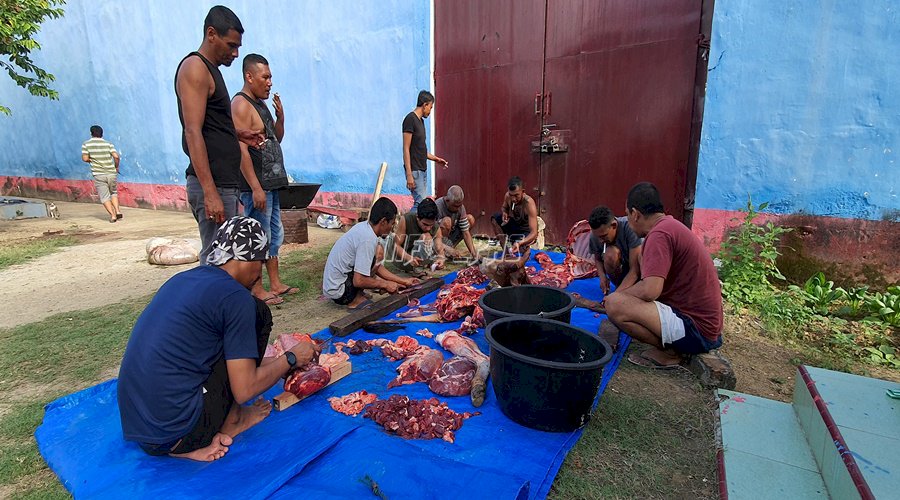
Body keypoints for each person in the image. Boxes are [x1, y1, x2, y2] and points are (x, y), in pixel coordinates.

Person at [118, 217, 319, 462]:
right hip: (177, 433)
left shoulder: (185, 279)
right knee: (260, 312)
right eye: (261, 263)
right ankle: (234, 420)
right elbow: (245, 389)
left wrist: (275, 364)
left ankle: (191, 432)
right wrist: (290, 358)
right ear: (250, 260)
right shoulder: (237, 299)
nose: (259, 274)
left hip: (142, 429)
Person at [175, 5, 264, 265]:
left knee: (231, 258)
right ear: (211, 34)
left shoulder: (212, 71)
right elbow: (193, 131)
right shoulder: (196, 68)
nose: (236, 53)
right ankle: (209, 306)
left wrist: (237, 134)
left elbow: (209, 125)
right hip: (213, 183)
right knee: (217, 257)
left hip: (226, 182)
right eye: (231, 45)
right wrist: (209, 191)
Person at [605, 182, 723, 369]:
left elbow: (650, 290)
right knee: (625, 292)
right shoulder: (669, 226)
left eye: (627, 214)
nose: (627, 219)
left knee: (614, 305)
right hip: (704, 326)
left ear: (635, 214)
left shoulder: (659, 235)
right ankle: (673, 346)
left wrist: (621, 297)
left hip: (697, 330)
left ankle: (671, 352)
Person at [231, 53, 296, 306]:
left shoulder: (261, 104)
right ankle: (256, 288)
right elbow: (241, 149)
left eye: (270, 77)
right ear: (249, 76)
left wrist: (280, 117)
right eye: (265, 77)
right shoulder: (241, 104)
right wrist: (255, 187)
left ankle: (276, 283)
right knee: (258, 236)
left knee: (274, 235)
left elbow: (275, 139)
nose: (270, 82)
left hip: (272, 183)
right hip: (257, 186)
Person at [323, 197, 419, 309]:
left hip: (335, 285)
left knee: (375, 257)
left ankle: (357, 294)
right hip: (339, 291)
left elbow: (376, 267)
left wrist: (403, 281)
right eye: (392, 224)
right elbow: (359, 281)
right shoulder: (367, 239)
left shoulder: (365, 227)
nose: (392, 228)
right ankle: (354, 300)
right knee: (377, 255)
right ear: (383, 222)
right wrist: (385, 284)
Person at [402, 90, 448, 212]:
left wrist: (436, 159)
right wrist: (409, 174)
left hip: (422, 169)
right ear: (425, 105)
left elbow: (420, 149)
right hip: (414, 170)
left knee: (421, 203)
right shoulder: (410, 119)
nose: (430, 111)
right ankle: (405, 226)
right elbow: (406, 148)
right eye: (430, 107)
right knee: (420, 203)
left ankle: (410, 227)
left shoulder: (421, 121)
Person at [588, 205, 643, 296]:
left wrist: (615, 295)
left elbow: (635, 270)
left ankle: (627, 289)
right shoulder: (596, 235)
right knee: (610, 255)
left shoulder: (630, 228)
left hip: (640, 270)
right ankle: (621, 286)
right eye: (598, 237)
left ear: (614, 225)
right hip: (623, 271)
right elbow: (598, 258)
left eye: (604, 236)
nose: (601, 241)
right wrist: (602, 277)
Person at [389, 198, 447, 275]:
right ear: (417, 217)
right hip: (404, 259)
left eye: (431, 225)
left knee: (431, 240)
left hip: (422, 260)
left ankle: (422, 266)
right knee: (425, 237)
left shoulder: (435, 227)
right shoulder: (406, 219)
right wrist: (409, 258)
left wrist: (441, 258)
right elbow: (396, 246)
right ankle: (418, 270)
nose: (428, 228)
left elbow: (439, 249)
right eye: (425, 224)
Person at [81, 125, 122, 223]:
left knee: (104, 196)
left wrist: (93, 160)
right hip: (111, 173)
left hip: (99, 174)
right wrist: (116, 166)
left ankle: (113, 216)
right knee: (113, 192)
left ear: (91, 133)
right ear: (102, 133)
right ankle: (117, 210)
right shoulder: (108, 144)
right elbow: (116, 156)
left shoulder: (86, 144)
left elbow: (85, 158)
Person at [491, 176, 539, 255]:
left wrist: (520, 243)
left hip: (525, 232)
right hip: (515, 226)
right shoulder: (507, 196)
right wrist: (504, 213)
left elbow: (534, 233)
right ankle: (505, 251)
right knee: (494, 218)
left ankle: (519, 245)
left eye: (516, 195)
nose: (513, 199)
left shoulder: (529, 203)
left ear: (523, 192)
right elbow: (504, 207)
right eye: (511, 195)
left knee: (520, 252)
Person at [435, 185, 478, 260]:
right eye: (455, 206)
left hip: (450, 237)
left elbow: (466, 232)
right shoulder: (437, 206)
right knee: (447, 221)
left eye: (459, 206)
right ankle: (443, 251)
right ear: (447, 200)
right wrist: (444, 247)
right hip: (437, 240)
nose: (458, 209)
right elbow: (431, 233)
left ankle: (451, 247)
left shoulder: (460, 207)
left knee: (470, 219)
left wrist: (474, 254)